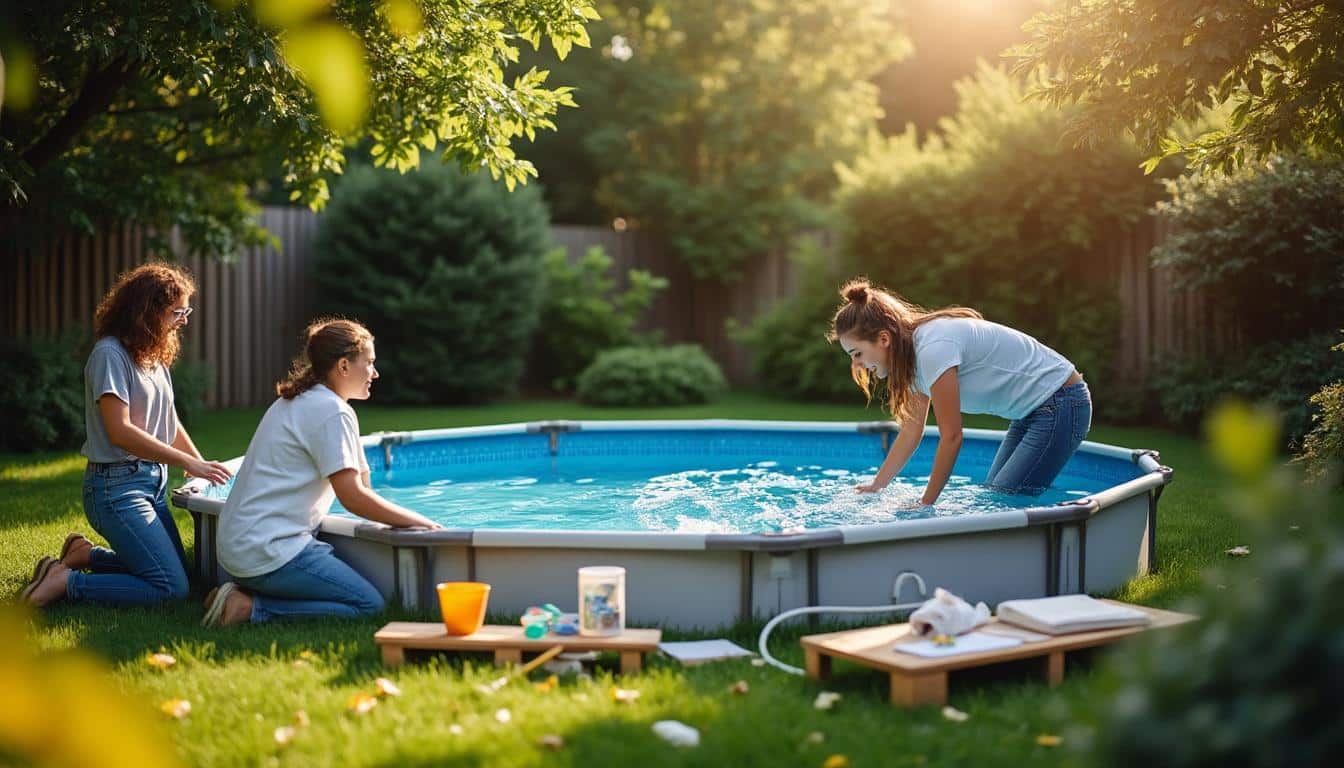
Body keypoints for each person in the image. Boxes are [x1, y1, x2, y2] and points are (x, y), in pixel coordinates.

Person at [202, 318, 442, 627]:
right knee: (368, 606)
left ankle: (238, 594)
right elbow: (354, 498)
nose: (375, 373)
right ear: (344, 366)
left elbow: (363, 484)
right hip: (267, 551)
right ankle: (249, 608)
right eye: (369, 363)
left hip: (239, 546)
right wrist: (420, 522)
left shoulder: (302, 400)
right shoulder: (331, 411)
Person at [20, 263, 234, 607]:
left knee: (183, 572)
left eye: (186, 311)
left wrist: (197, 464)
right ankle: (66, 582)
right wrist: (186, 461)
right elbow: (119, 431)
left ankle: (85, 555)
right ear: (146, 311)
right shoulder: (109, 355)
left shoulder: (153, 354)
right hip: (115, 489)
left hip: (151, 483)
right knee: (171, 587)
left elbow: (168, 419)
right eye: (177, 312)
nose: (184, 320)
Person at [828, 278, 1091, 506]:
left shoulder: (932, 349)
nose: (857, 364)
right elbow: (910, 431)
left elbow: (952, 436)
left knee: (1004, 501)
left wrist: (925, 504)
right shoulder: (911, 361)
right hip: (1032, 412)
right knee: (995, 497)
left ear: (884, 339)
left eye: (857, 353)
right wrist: (877, 486)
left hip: (1061, 402)